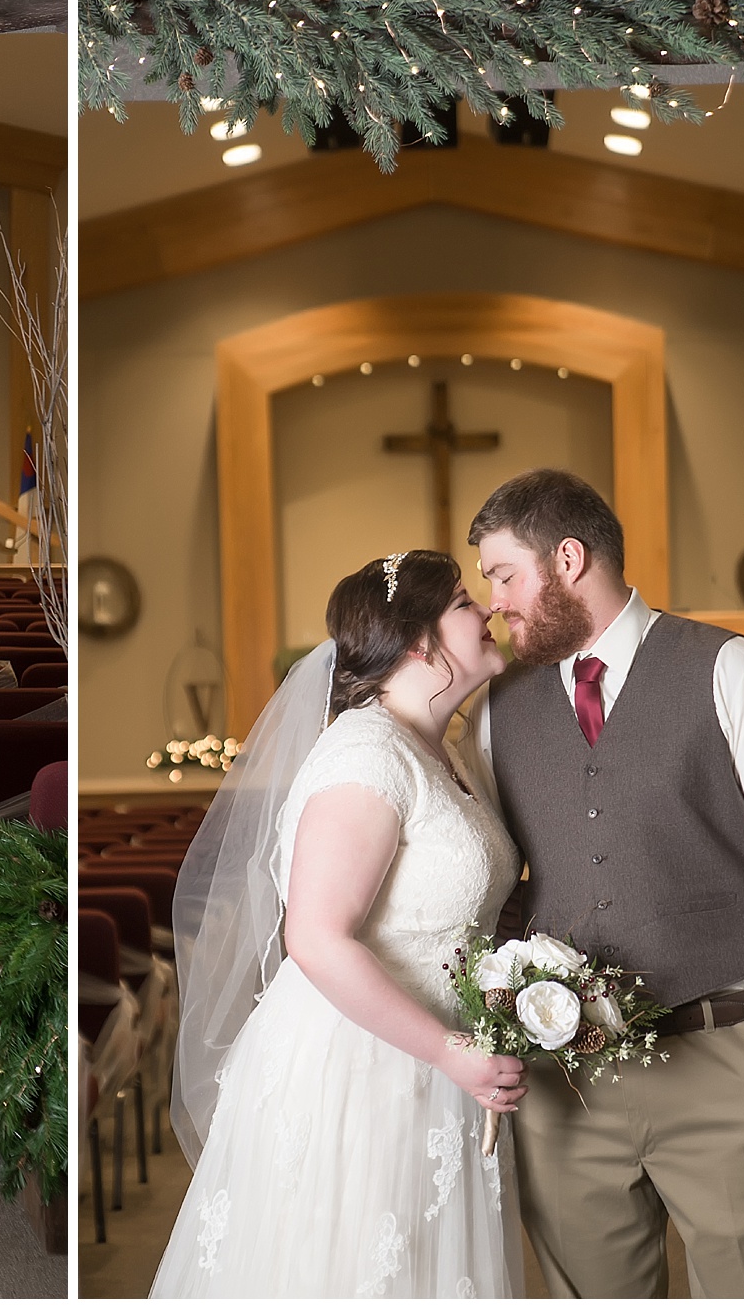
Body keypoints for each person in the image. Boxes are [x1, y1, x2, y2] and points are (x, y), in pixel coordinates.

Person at [461, 467, 744, 1298]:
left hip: (731, 1058)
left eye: (504, 575)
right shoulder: (498, 709)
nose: (494, 601)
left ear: (567, 559)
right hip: (567, 1085)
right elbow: (497, 880)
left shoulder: (732, 671)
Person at [154, 551, 526, 1297]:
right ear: (419, 641)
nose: (485, 609)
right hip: (363, 1066)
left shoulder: (441, 748)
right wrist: (450, 1051)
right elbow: (317, 938)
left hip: (440, 1063)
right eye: (462, 601)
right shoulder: (365, 753)